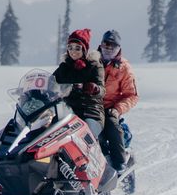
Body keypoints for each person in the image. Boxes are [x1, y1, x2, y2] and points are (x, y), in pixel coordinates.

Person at [53, 28, 105, 140]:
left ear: (85, 49)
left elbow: (102, 90)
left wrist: (95, 88)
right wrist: (33, 89)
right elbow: (50, 81)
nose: (73, 51)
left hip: (91, 111)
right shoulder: (64, 67)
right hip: (67, 110)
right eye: (70, 47)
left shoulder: (94, 65)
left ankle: (94, 155)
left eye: (77, 48)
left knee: (85, 137)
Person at [96, 29, 137, 172]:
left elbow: (132, 95)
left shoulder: (123, 68)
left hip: (109, 108)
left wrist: (117, 109)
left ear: (118, 48)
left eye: (112, 46)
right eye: (105, 45)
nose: (108, 49)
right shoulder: (91, 61)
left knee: (112, 126)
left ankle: (118, 164)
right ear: (100, 45)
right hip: (89, 106)